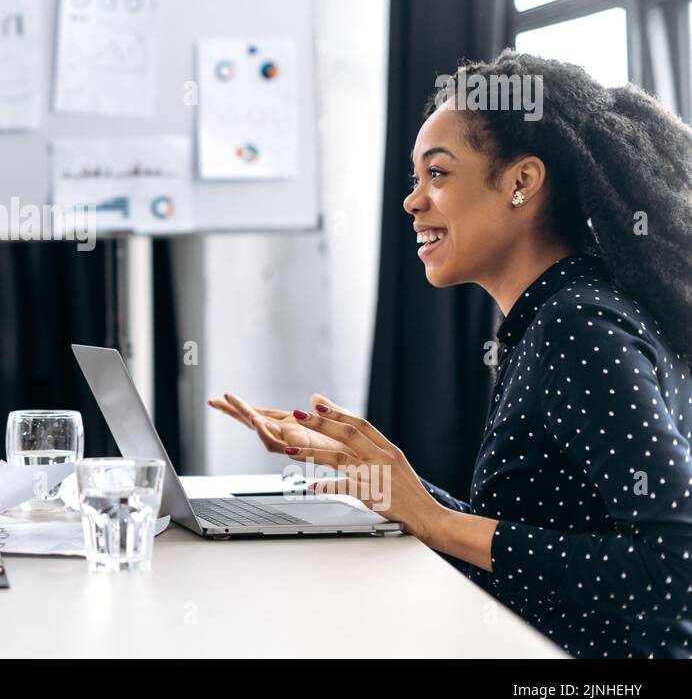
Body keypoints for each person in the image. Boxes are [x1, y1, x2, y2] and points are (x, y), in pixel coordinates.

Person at [211, 50, 692, 658]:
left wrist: (437, 523)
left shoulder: (577, 325)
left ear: (521, 182)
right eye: (416, 179)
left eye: (438, 174)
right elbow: (541, 536)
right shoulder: (557, 314)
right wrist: (384, 479)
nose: (413, 202)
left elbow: (678, 567)